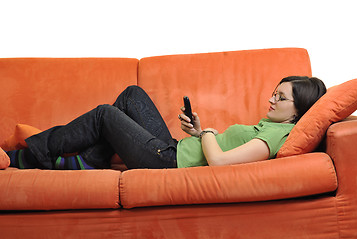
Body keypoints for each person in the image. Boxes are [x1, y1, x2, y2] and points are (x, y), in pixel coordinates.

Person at [6, 76, 327, 170]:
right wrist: (200, 132)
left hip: (168, 161)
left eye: (281, 98)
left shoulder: (276, 136)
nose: (271, 100)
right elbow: (214, 148)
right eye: (274, 93)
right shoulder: (270, 125)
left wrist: (210, 133)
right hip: (173, 148)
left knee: (105, 114)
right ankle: (90, 161)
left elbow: (218, 161)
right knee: (132, 95)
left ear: (299, 110)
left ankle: (27, 155)